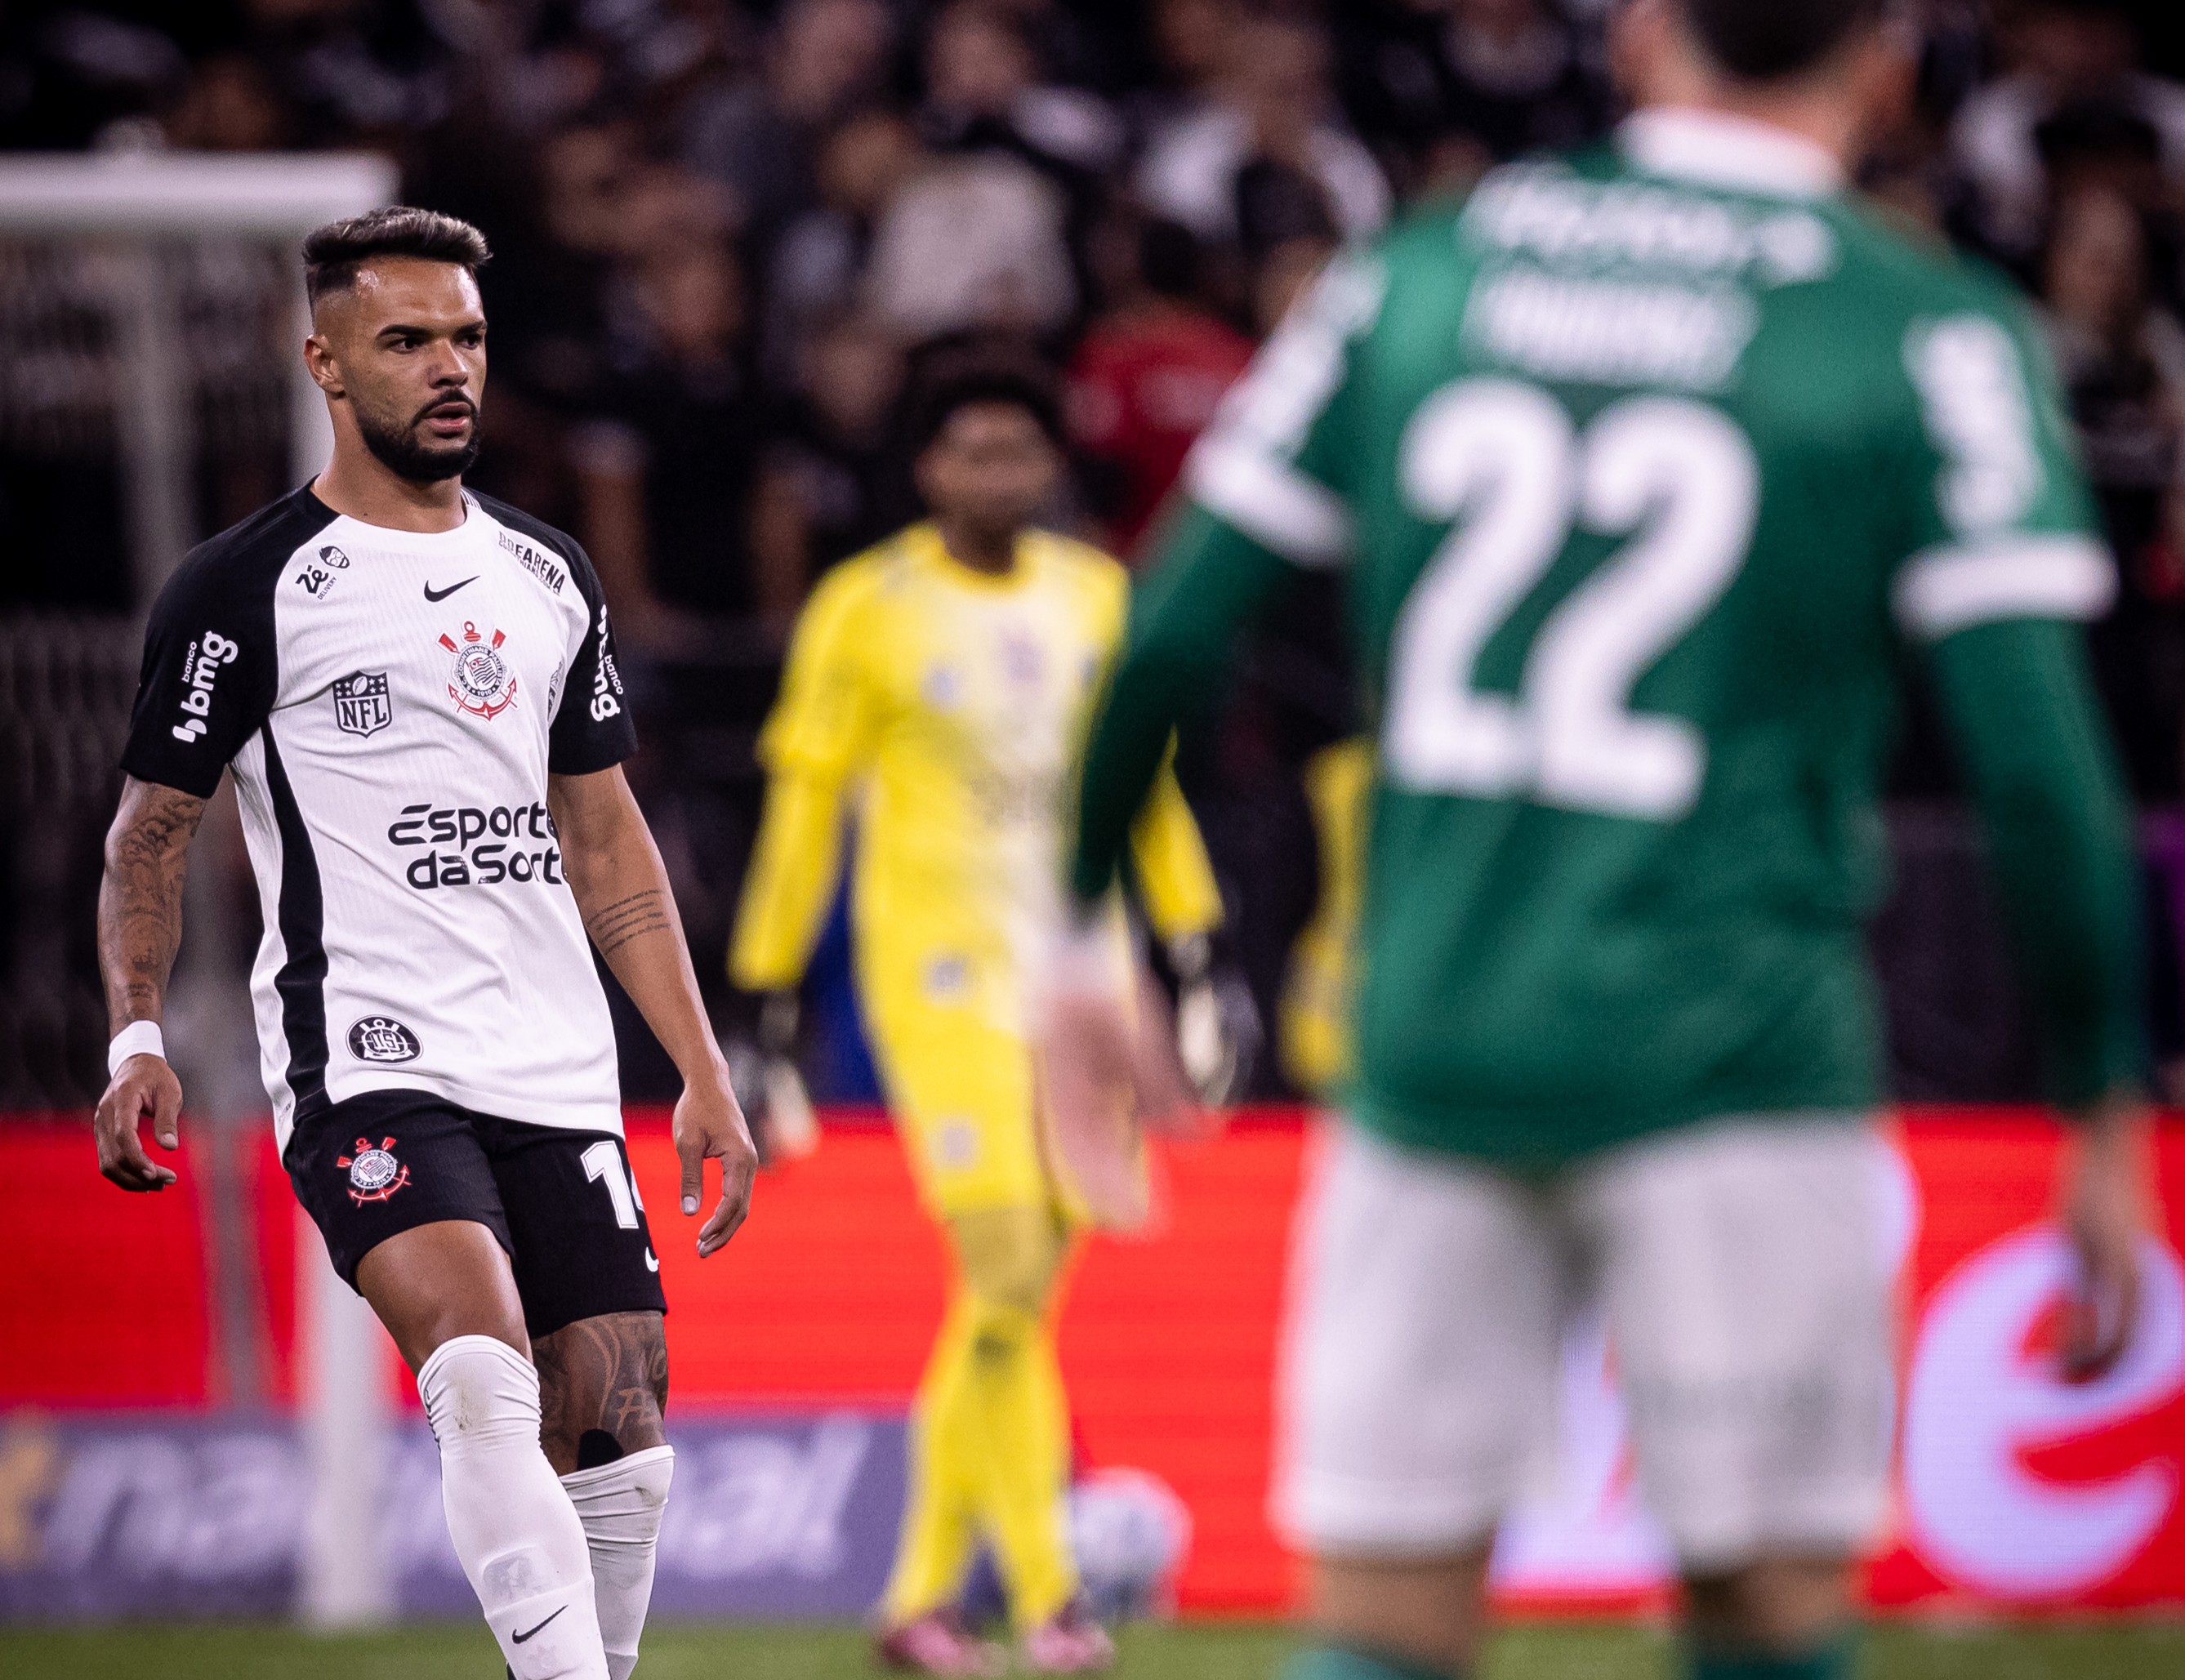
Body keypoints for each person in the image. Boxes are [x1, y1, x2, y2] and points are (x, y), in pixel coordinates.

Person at [1049, 5, 2158, 1680]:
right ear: (1888, 65)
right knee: (1770, 1611)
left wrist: (1079, 934)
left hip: (1433, 1049)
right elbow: (2041, 772)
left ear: (1639, 41)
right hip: (1746, 1055)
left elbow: (1166, 641)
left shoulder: (1423, 273)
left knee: (1387, 1625)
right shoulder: (1923, 329)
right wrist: (2097, 1099)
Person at [91, 208, 758, 1680]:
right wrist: (138, 1029)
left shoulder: (549, 575)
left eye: (463, 337)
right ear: (324, 361)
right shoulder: (243, 587)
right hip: (370, 1059)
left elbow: (605, 836)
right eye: (407, 342)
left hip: (559, 1062)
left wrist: (699, 1069)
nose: (448, 368)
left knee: (624, 1446)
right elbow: (151, 832)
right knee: (479, 1372)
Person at [728, 357, 1242, 1674]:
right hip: (944, 983)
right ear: (928, 471)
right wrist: (766, 987)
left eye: (1023, 451)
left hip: (1088, 980)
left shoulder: (1097, 596)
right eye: (975, 452)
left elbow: (1149, 791)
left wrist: (1191, 947)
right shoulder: (869, 606)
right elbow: (804, 809)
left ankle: (916, 1598)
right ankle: (1053, 1594)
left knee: (1015, 1297)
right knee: (1007, 1264)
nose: (1001, 474)